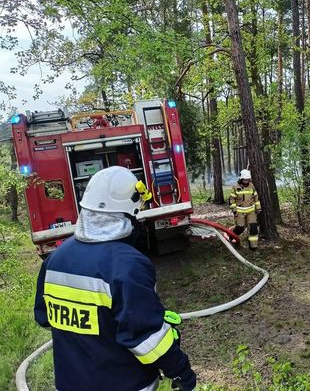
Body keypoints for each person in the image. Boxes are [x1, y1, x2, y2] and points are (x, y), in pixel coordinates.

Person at [34, 166, 197, 391]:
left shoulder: (55, 260)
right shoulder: (128, 265)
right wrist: (181, 371)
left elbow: (45, 318)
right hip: (124, 383)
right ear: (128, 213)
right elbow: (145, 338)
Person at [229, 168, 261, 249]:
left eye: (247, 179)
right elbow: (232, 200)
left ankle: (253, 246)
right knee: (240, 227)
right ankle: (232, 237)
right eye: (244, 180)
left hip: (251, 211)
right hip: (239, 211)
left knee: (253, 228)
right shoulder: (235, 187)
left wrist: (258, 208)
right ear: (241, 179)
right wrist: (234, 210)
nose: (246, 181)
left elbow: (256, 197)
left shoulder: (251, 186)